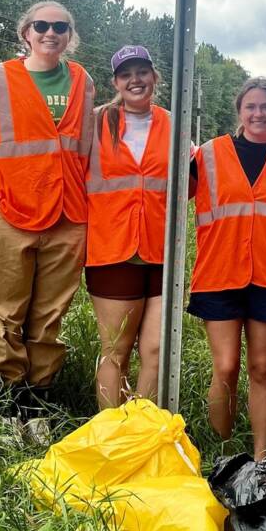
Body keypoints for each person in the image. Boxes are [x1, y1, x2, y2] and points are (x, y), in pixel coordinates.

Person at [0, 1, 94, 442]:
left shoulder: (82, 81)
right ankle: (5, 405)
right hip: (8, 213)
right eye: (42, 25)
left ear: (69, 34)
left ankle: (37, 405)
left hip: (68, 215)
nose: (50, 32)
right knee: (3, 314)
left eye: (60, 26)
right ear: (26, 32)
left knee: (49, 317)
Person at [187, 76, 266, 461]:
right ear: (239, 111)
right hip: (218, 274)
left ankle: (261, 458)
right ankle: (224, 454)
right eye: (251, 106)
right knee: (225, 366)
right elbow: (174, 194)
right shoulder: (207, 154)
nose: (258, 113)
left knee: (262, 368)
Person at [85, 45, 169, 408]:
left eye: (142, 72)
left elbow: (194, 182)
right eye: (126, 74)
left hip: (162, 251)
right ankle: (110, 435)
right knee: (116, 350)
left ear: (154, 77)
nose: (135, 80)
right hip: (111, 250)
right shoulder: (94, 122)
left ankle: (140, 433)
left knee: (155, 349)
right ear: (115, 82)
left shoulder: (174, 123)